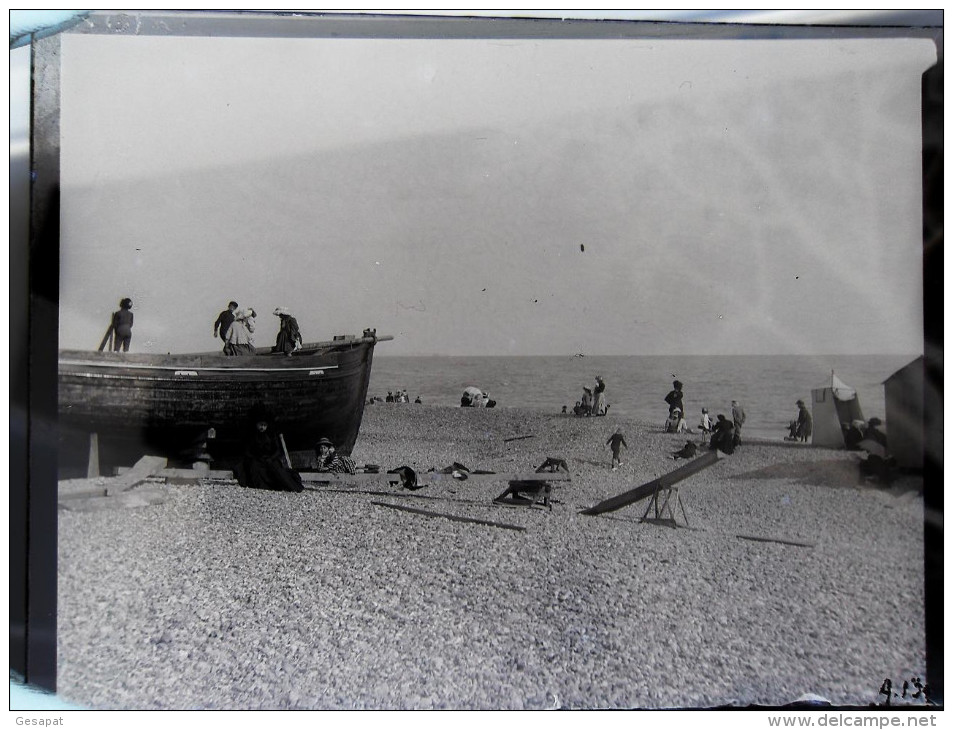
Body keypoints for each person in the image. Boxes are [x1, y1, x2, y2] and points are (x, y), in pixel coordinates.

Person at [233, 413, 304, 493]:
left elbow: (277, 450)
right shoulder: (252, 436)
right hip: (257, 459)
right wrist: (256, 458)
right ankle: (261, 486)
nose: (262, 427)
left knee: (277, 469)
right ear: (256, 425)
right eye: (260, 425)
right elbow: (247, 451)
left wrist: (271, 458)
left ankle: (291, 487)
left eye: (264, 425)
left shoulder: (271, 435)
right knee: (254, 467)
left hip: (270, 459)